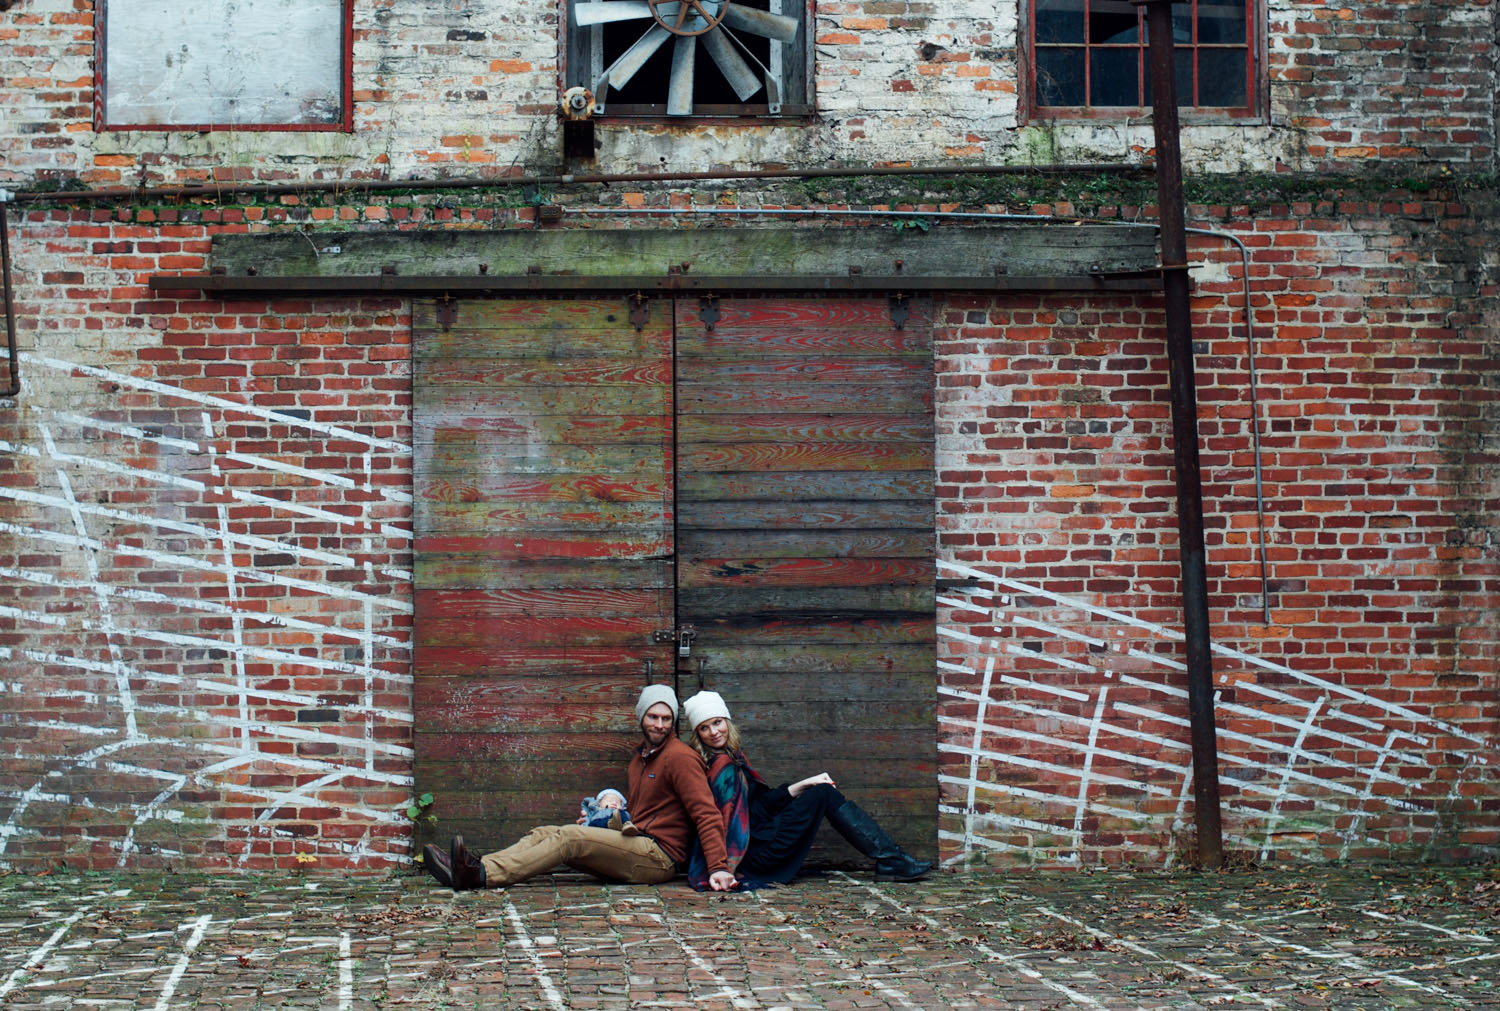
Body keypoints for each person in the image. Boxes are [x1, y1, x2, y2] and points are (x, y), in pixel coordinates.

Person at [421, 685, 737, 892]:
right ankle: (477, 864)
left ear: (673, 722)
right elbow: (641, 814)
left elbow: (706, 814)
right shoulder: (641, 758)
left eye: (666, 719)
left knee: (570, 839)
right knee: (544, 832)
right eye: (653, 717)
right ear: (641, 718)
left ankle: (480, 876)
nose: (659, 724)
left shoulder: (680, 758)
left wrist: (718, 867)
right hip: (635, 841)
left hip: (658, 857)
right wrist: (605, 820)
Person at [681, 690, 932, 889]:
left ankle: (892, 859)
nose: (714, 732)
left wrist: (804, 785)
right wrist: (720, 868)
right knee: (823, 794)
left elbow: (759, 804)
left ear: (727, 722)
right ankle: (892, 860)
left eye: (717, 723)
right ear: (698, 734)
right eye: (704, 728)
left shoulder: (733, 756)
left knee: (820, 790)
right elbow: (724, 821)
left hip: (756, 845)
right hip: (752, 855)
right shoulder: (721, 766)